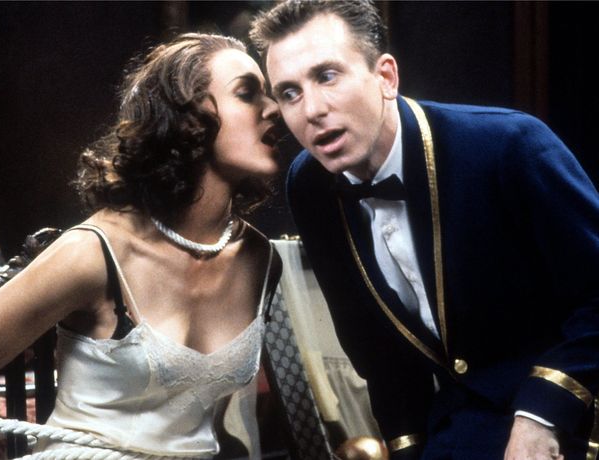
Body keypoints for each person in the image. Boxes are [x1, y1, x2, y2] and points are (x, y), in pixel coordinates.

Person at [250, 1, 599, 459]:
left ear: (386, 77)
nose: (312, 109)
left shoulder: (508, 146)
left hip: (575, 404)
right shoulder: (310, 184)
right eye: (290, 93)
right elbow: (376, 354)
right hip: (461, 424)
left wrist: (542, 413)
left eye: (327, 76)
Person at [0, 32, 283, 459]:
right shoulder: (96, 251)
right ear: (187, 120)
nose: (273, 109)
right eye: (247, 94)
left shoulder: (259, 259)